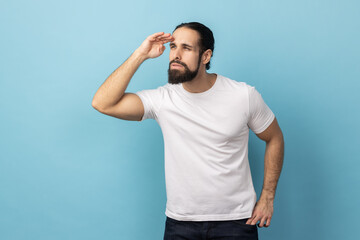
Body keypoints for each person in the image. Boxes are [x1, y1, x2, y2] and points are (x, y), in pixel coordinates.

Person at [92, 22, 284, 240]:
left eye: (186, 48)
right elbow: (102, 103)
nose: (176, 55)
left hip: (236, 222)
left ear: (205, 56)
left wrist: (268, 196)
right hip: (180, 224)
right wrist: (140, 54)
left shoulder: (243, 96)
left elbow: (275, 138)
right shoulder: (162, 99)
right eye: (173, 47)